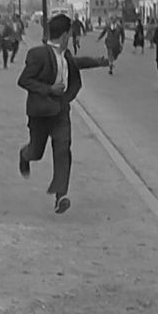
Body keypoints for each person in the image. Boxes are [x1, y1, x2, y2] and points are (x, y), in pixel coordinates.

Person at [17, 14, 110, 214]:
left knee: (63, 149)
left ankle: (61, 196)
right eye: (70, 33)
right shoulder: (38, 54)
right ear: (66, 34)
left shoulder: (65, 55)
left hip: (60, 111)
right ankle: (24, 155)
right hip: (40, 112)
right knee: (36, 151)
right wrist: (49, 90)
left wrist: (98, 62)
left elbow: (75, 63)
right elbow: (24, 80)